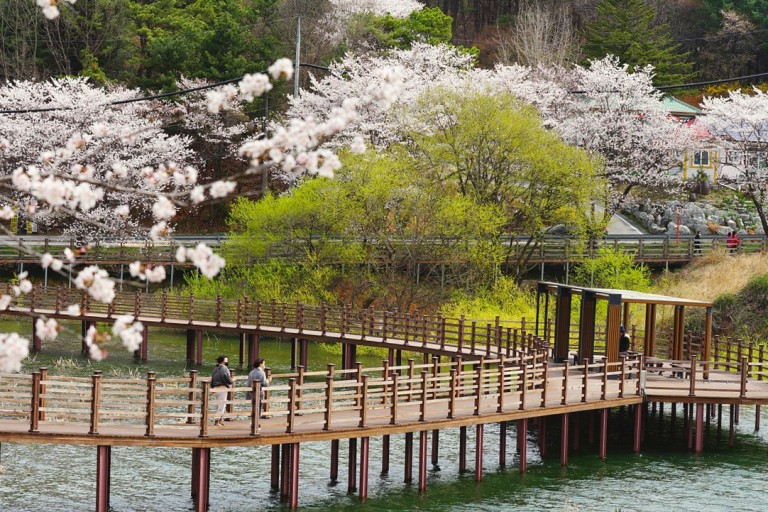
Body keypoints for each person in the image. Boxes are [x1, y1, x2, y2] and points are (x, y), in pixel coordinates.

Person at [210, 354, 232, 426]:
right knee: (222, 406)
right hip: (222, 388)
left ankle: (220, 420)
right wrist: (231, 381)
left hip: (215, 388)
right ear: (223, 361)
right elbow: (227, 379)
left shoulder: (215, 369)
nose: (227, 362)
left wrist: (212, 387)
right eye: (226, 360)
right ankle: (217, 421)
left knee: (218, 406)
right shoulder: (225, 368)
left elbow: (212, 379)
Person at [246, 358, 270, 423]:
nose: (264, 365)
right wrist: (268, 380)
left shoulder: (251, 372)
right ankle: (256, 423)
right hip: (258, 393)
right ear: (260, 364)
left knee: (254, 408)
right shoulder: (261, 372)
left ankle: (253, 423)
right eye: (264, 364)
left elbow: (248, 383)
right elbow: (264, 383)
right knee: (258, 409)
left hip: (251, 393)